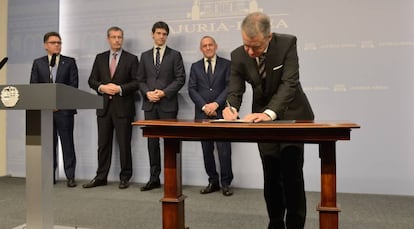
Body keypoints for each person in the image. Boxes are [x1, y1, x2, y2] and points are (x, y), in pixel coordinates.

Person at [222, 12, 314, 229]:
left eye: (256, 46)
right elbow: (235, 88)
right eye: (246, 45)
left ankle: (294, 224)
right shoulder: (238, 55)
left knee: (292, 174)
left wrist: (269, 113)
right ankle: (274, 222)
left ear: (269, 37)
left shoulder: (287, 44)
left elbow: (289, 84)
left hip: (292, 116)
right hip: (261, 121)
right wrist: (231, 107)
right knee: (271, 173)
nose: (251, 52)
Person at [84, 26, 139, 189]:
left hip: (123, 109)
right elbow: (91, 80)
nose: (117, 40)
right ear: (108, 39)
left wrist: (120, 89)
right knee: (103, 145)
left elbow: (137, 83)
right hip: (104, 109)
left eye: (120, 37)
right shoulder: (100, 58)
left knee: (124, 144)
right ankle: (101, 176)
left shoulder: (131, 59)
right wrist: (102, 87)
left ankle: (125, 177)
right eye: (114, 37)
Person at [138, 21, 186, 191]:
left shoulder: (175, 55)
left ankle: (171, 178)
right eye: (158, 33)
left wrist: (164, 92)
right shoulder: (144, 56)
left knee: (170, 142)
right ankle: (154, 178)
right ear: (152, 34)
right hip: (150, 104)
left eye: (164, 34)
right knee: (152, 143)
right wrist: (147, 93)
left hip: (168, 104)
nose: (161, 36)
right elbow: (140, 80)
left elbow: (180, 79)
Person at [30, 31, 79, 188]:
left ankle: (70, 176)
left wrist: (59, 103)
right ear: (46, 46)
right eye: (53, 42)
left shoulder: (69, 62)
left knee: (67, 144)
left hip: (64, 111)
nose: (57, 45)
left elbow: (73, 86)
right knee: (48, 145)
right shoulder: (38, 63)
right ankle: (49, 176)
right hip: (46, 111)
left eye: (59, 42)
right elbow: (34, 87)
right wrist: (47, 104)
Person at [188, 36, 234, 196]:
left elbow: (230, 86)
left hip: (221, 112)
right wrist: (204, 106)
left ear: (216, 46)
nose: (208, 48)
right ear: (201, 48)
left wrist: (215, 104)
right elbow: (192, 89)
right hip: (202, 114)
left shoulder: (226, 64)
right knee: (206, 149)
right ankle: (212, 181)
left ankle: (226, 183)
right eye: (204, 46)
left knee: (224, 150)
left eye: (210, 45)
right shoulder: (195, 67)